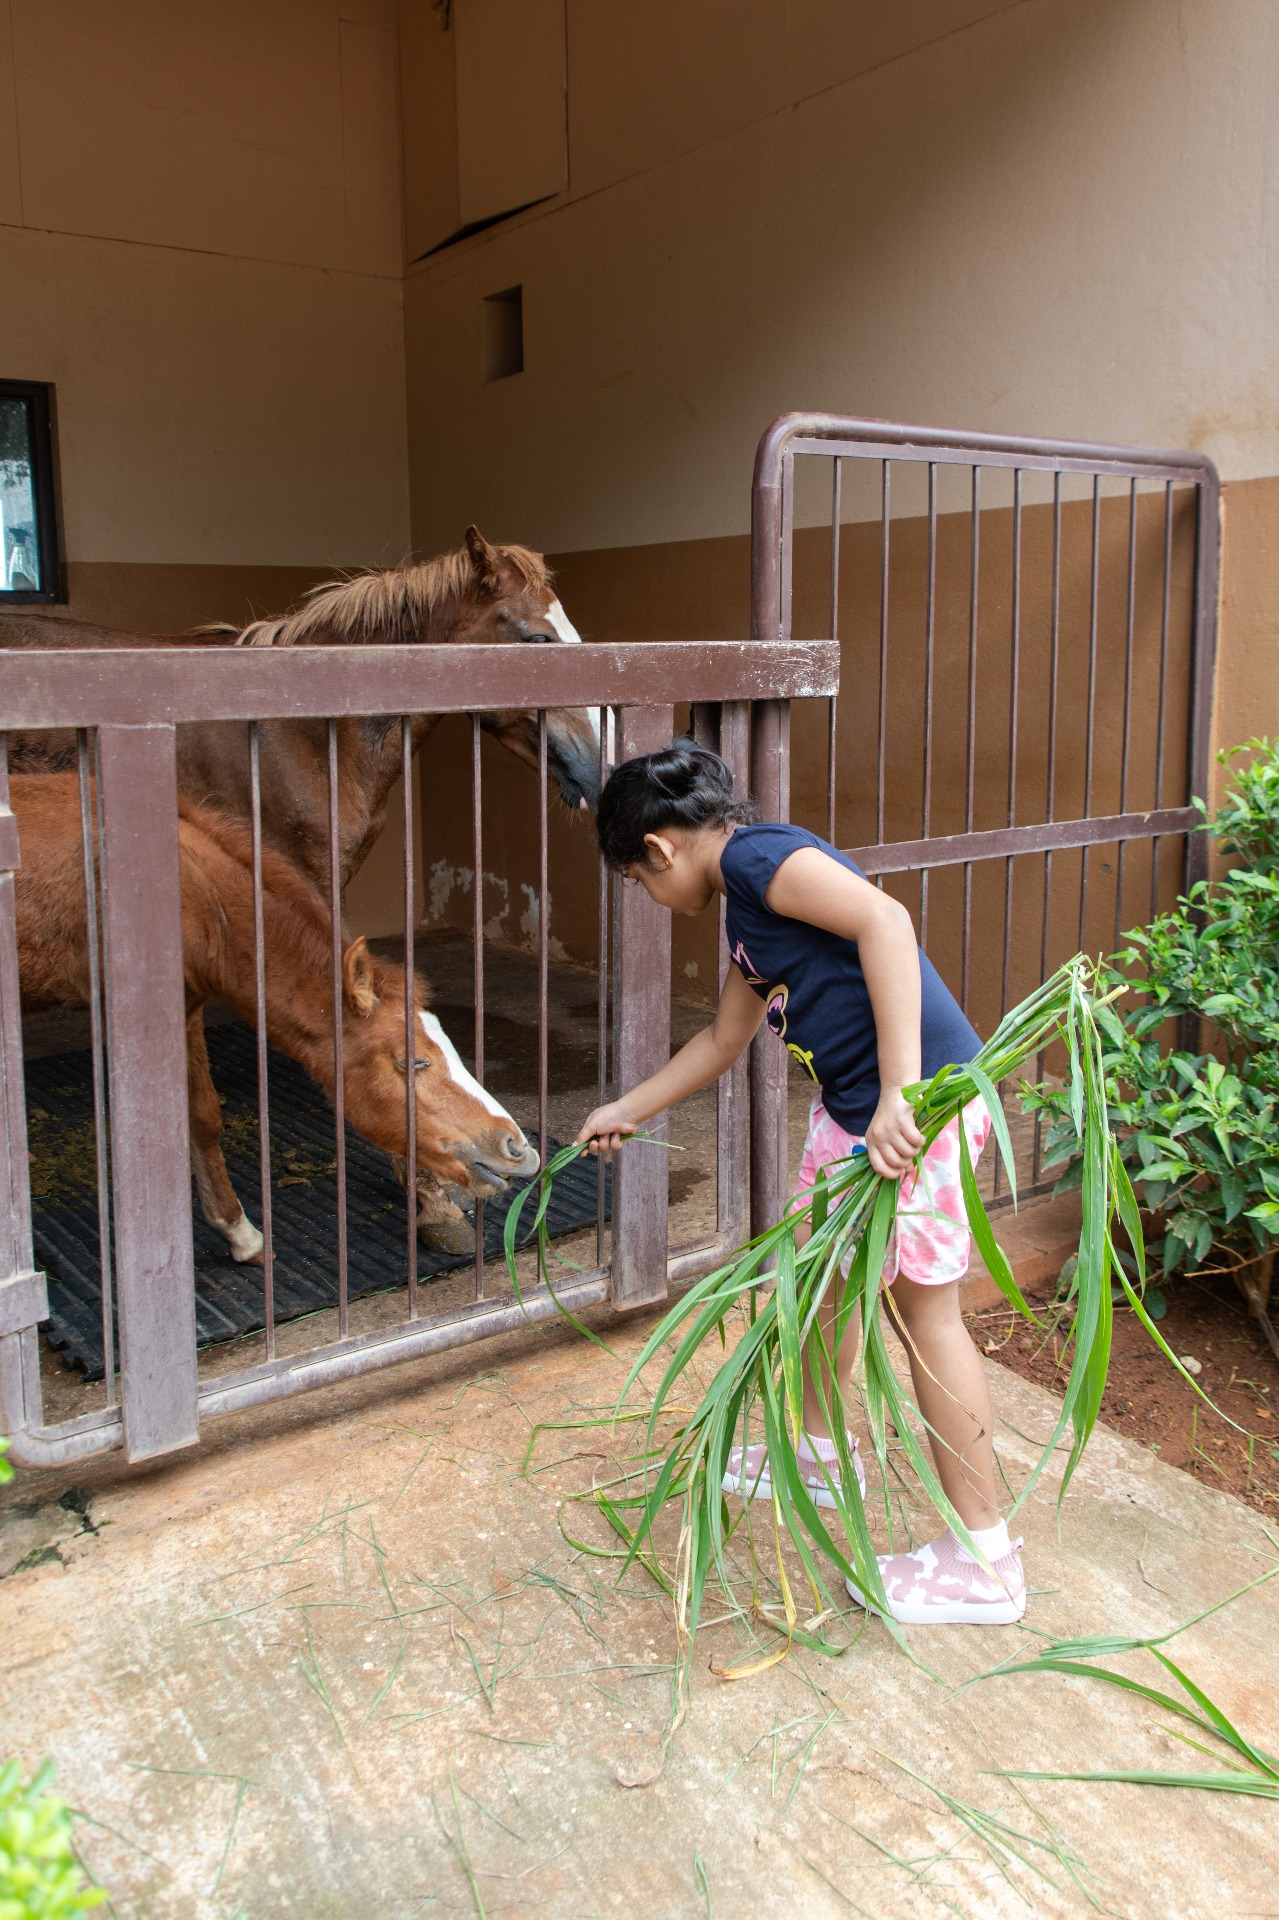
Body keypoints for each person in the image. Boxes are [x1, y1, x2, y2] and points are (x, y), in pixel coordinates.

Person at [575, 742, 1025, 1626]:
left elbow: (885, 923)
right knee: (819, 1284)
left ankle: (986, 1560)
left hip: (914, 1110)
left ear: (660, 849)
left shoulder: (757, 858)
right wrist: (625, 1107)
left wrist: (901, 1091)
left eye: (636, 880)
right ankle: (821, 1451)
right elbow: (722, 1043)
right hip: (853, 1114)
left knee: (923, 1311)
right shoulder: (744, 910)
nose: (647, 897)